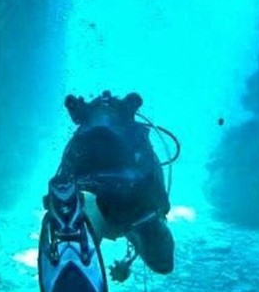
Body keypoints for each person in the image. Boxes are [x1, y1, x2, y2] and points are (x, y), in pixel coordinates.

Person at [48, 90, 175, 279]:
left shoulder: (158, 208)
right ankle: (81, 243)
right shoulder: (144, 217)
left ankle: (77, 241)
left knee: (99, 213)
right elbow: (147, 236)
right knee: (115, 220)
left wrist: (126, 263)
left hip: (102, 180)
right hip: (116, 192)